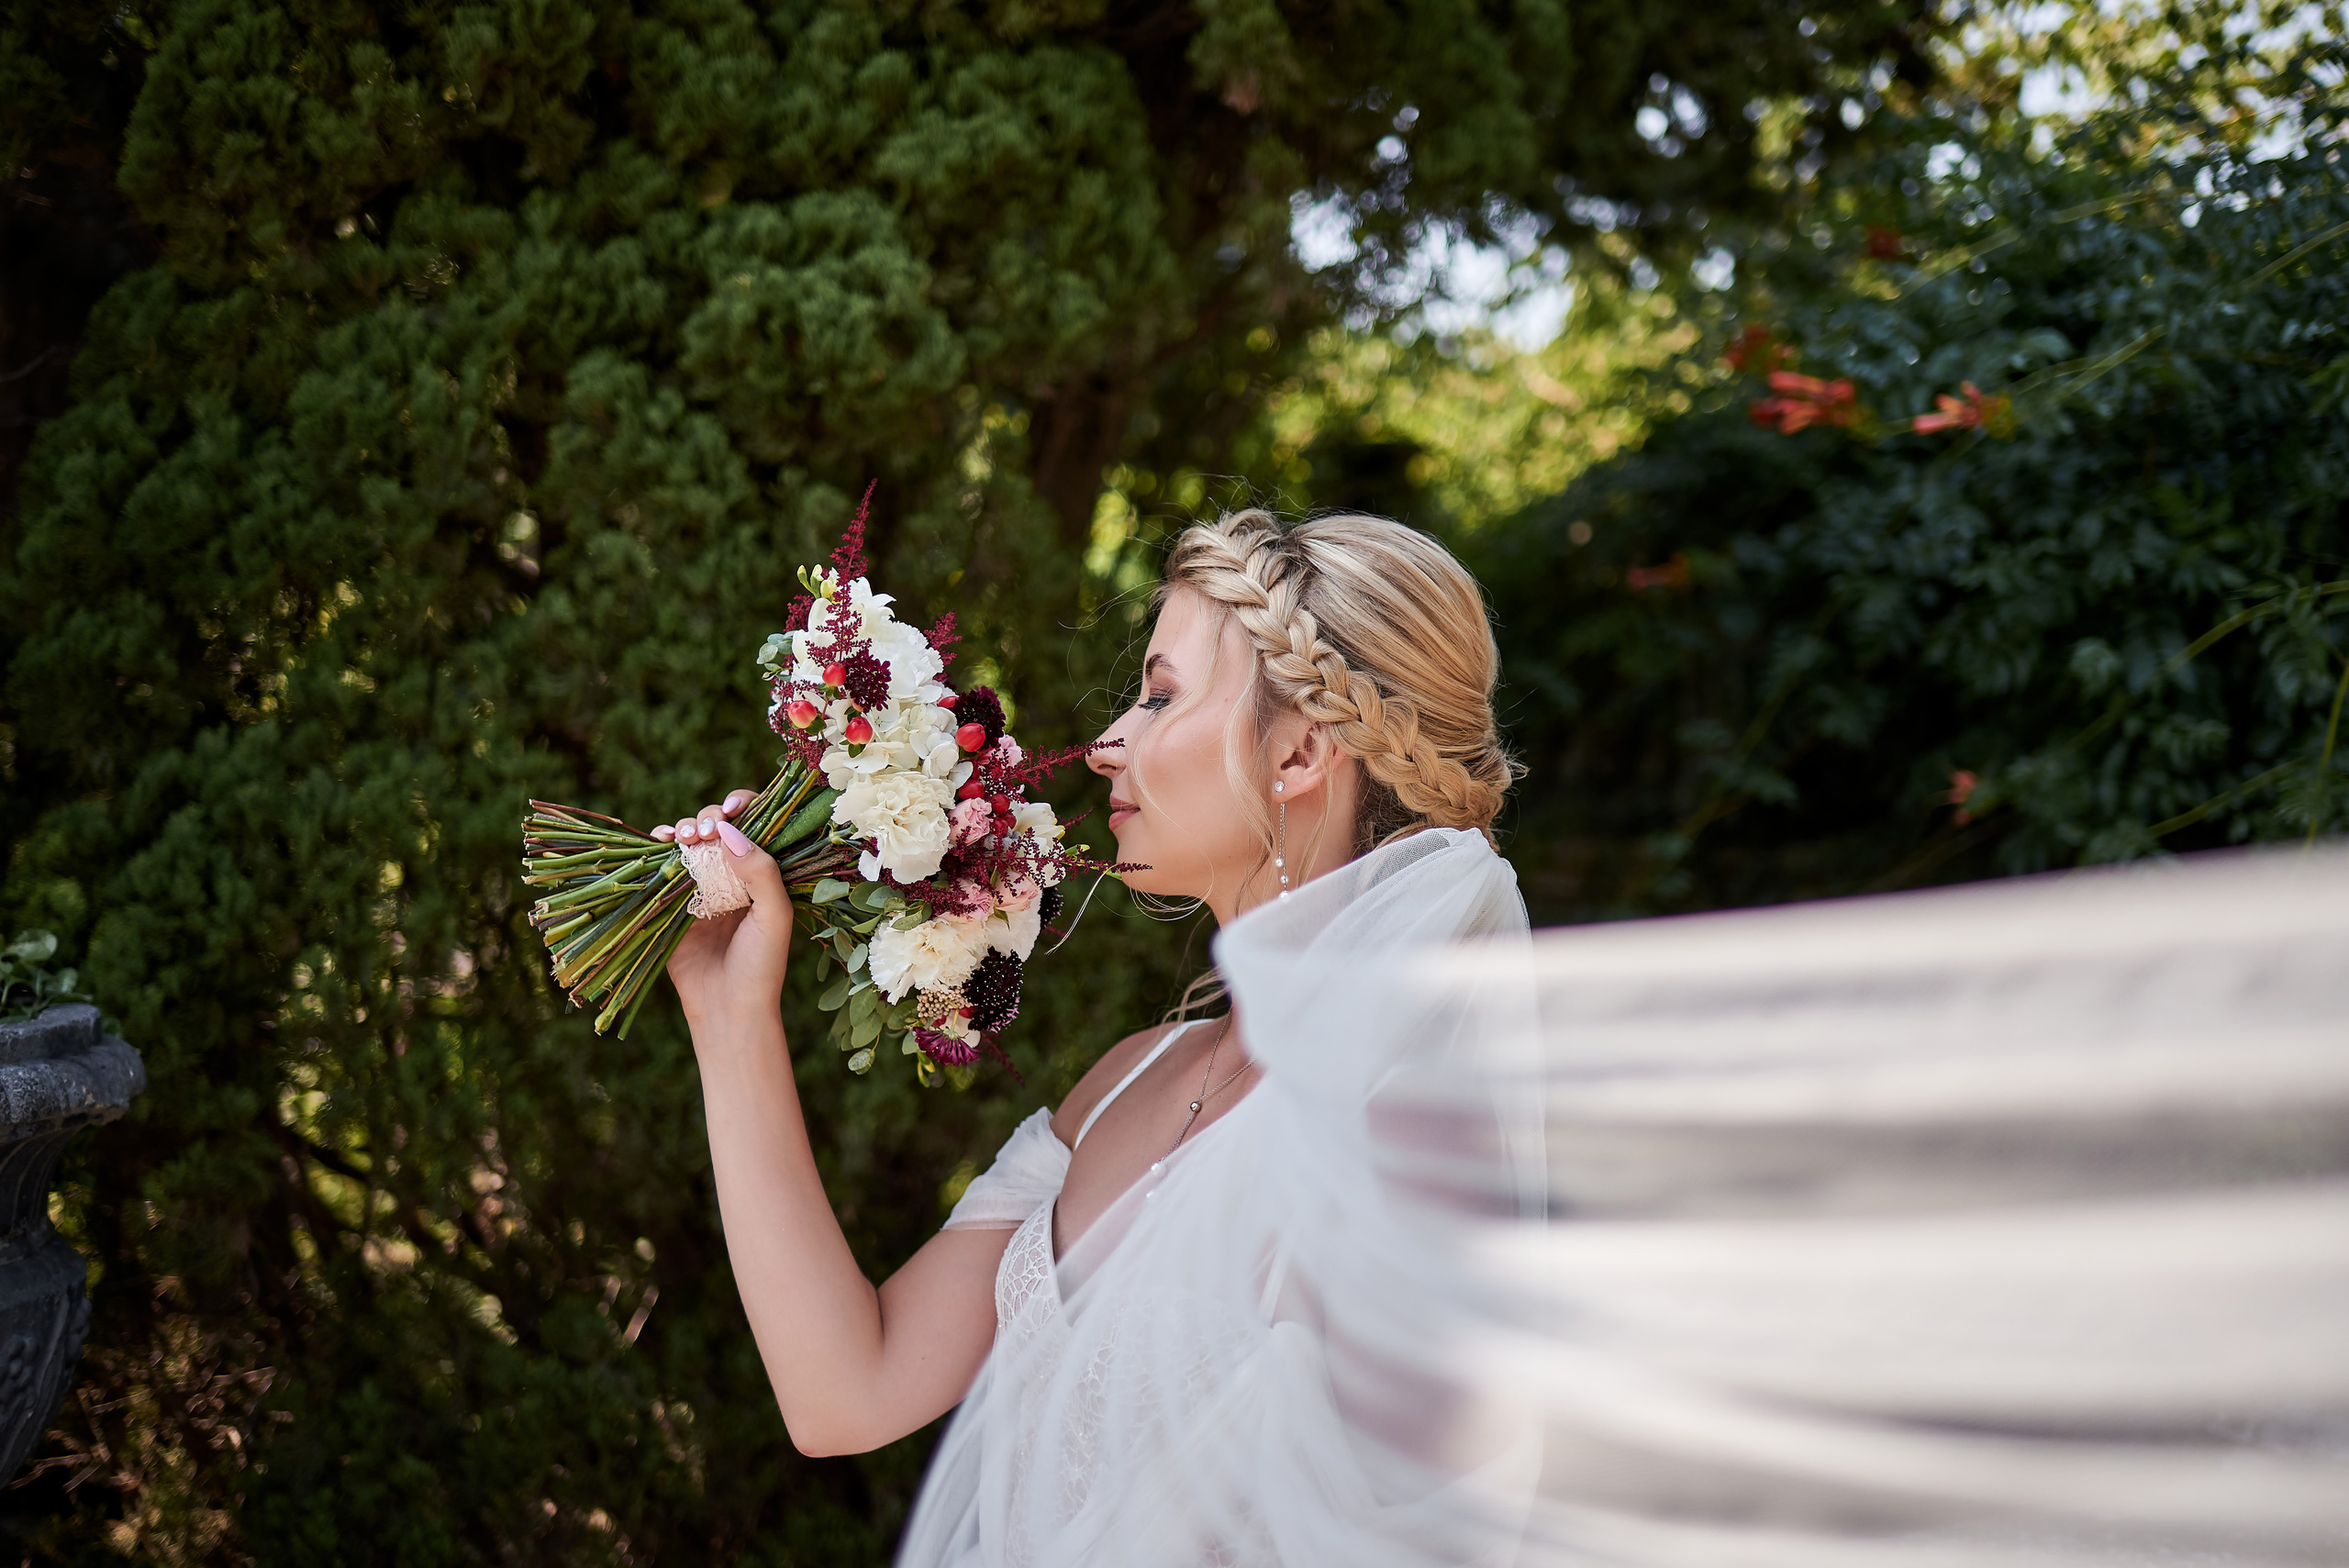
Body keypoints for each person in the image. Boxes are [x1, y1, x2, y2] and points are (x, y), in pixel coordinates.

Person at [654, 510, 2349, 1567]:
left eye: (1163, 693)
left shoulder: (1415, 1098)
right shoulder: (1121, 1082)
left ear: (1302, 751)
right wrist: (737, 1023)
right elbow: (845, 1388)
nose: (1108, 739)